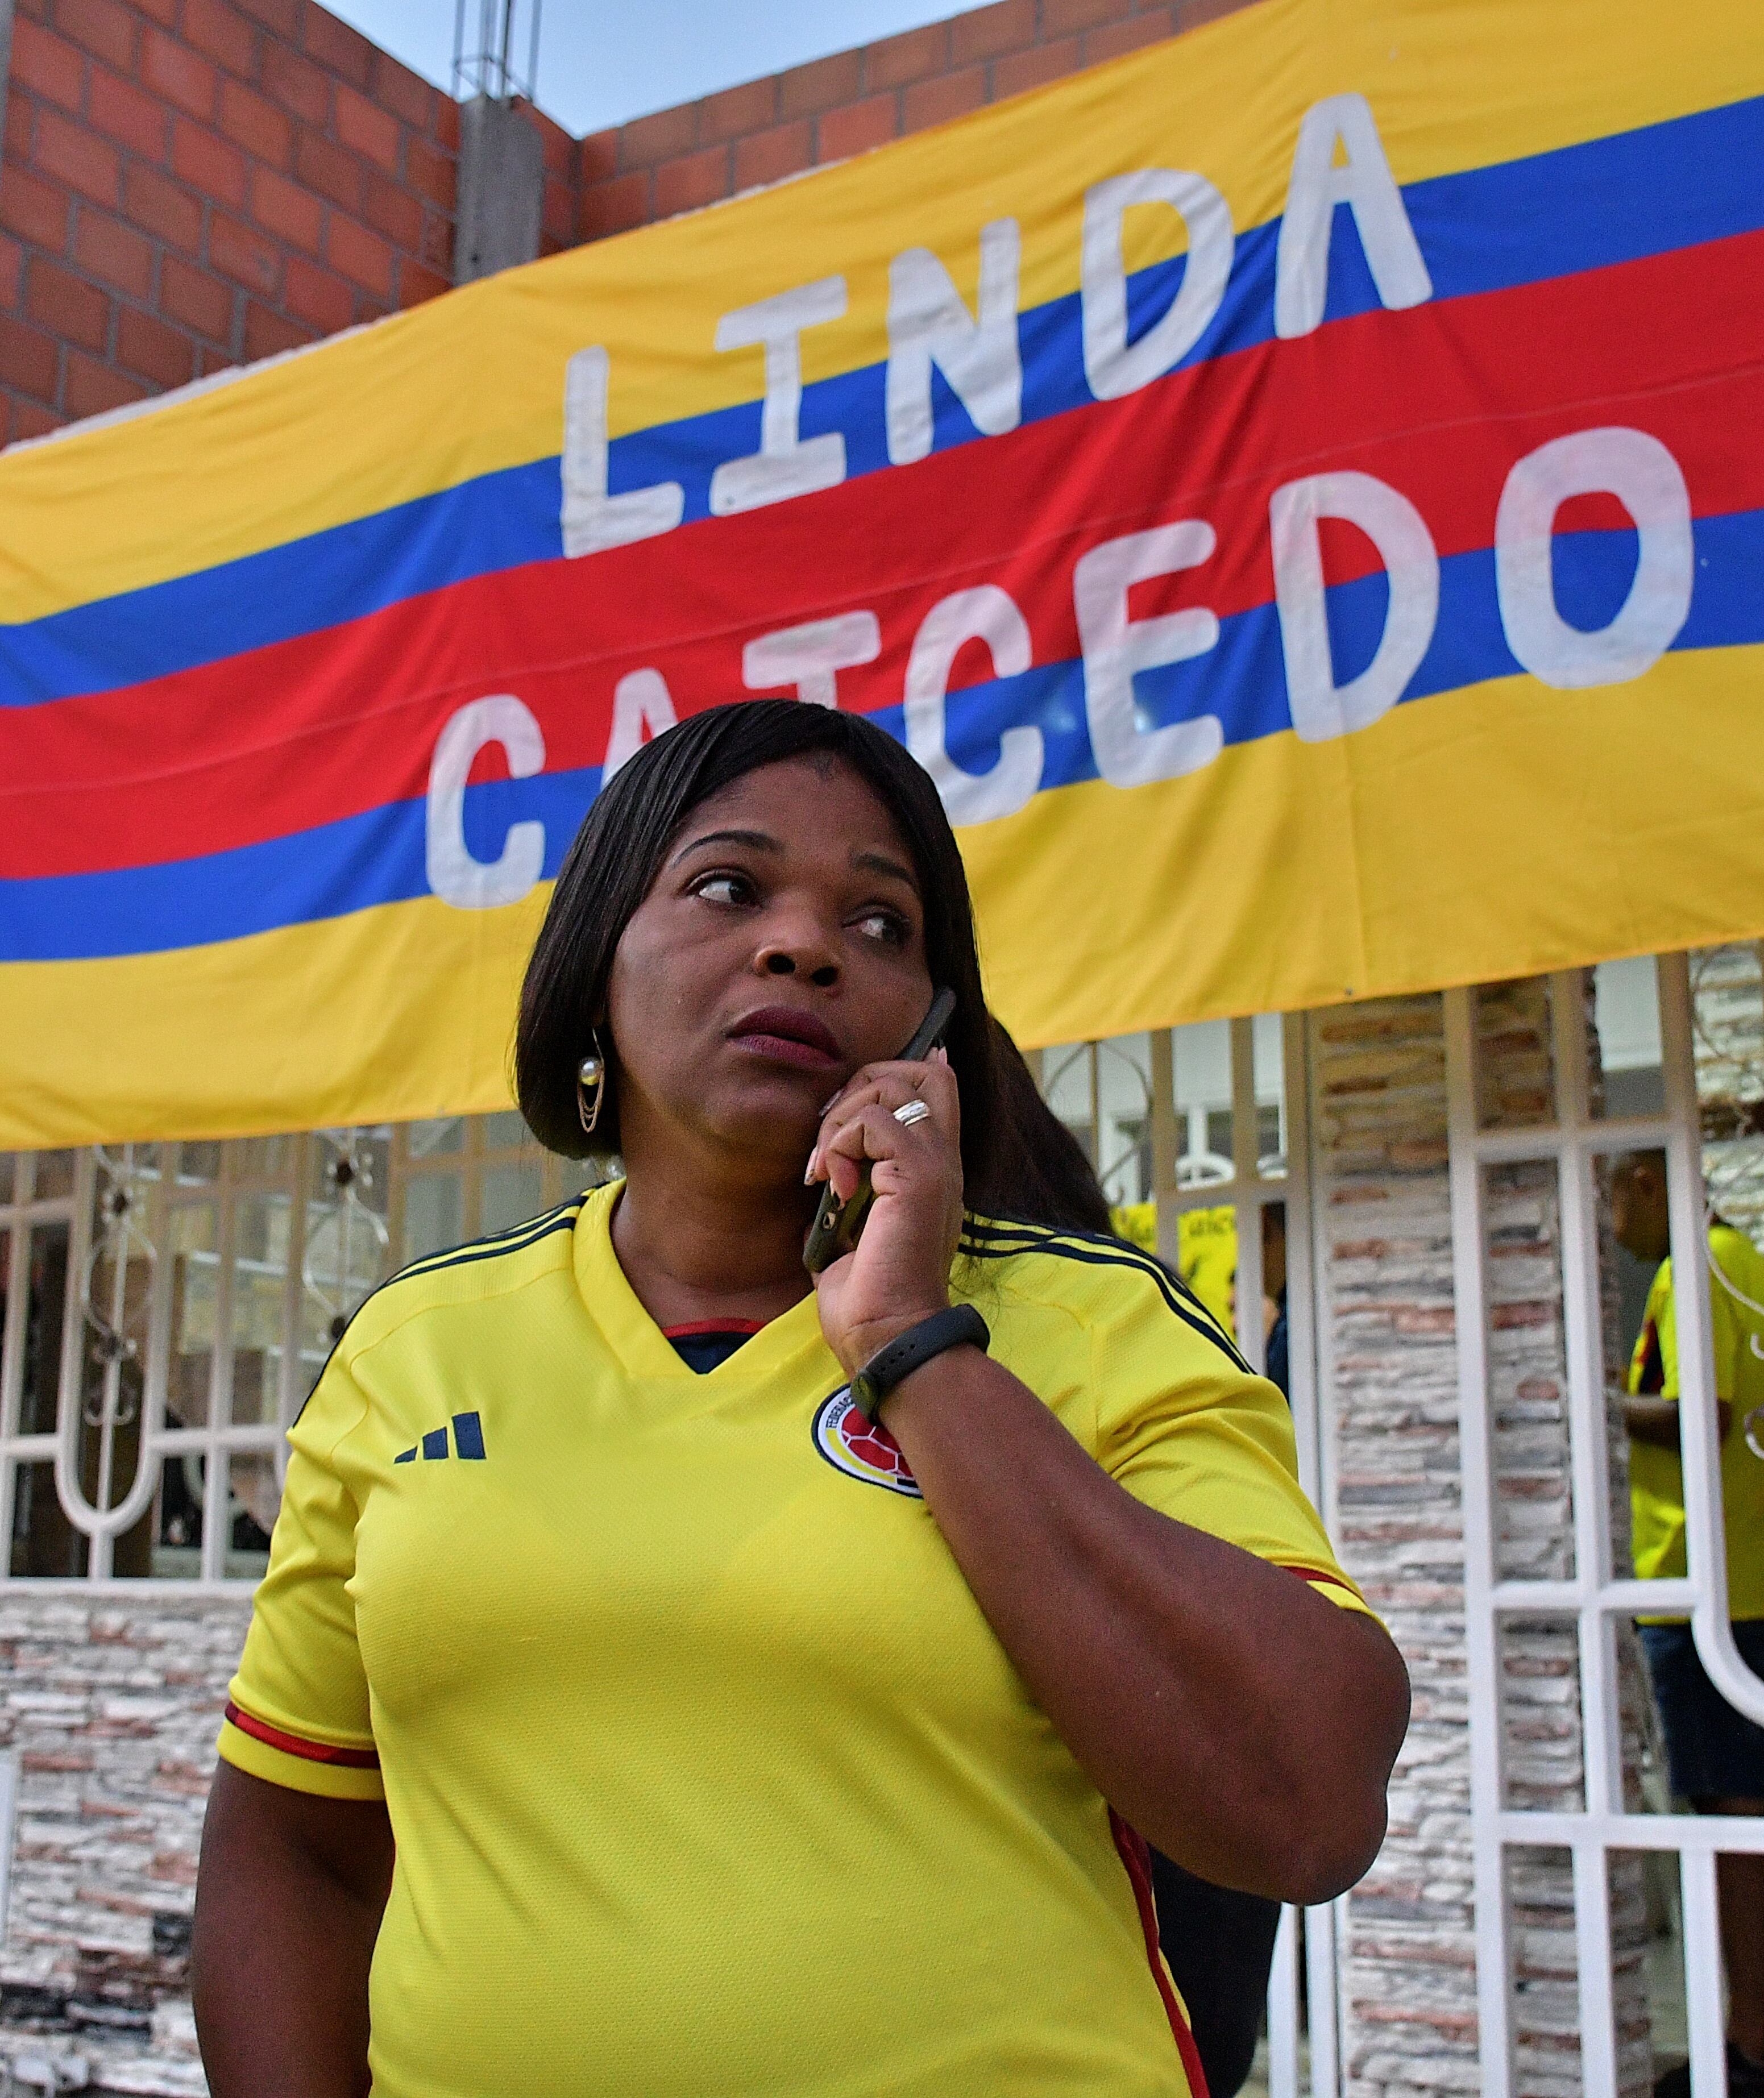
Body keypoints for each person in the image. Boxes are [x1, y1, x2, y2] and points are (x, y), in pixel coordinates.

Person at [192, 700, 1409, 2098]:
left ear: (933, 1022)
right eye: (726, 885)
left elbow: (1309, 1807)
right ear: (595, 961)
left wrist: (913, 1341)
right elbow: (294, 1845)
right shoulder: (418, 1345)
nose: (805, 945)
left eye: (881, 924)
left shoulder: (1090, 1326)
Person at [1612, 1149, 1764, 2097]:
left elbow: (1697, 1413)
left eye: (1611, 1191)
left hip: (1697, 1580)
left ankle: (1747, 2041)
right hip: (1747, 1571)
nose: (1608, 1217)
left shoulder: (1688, 1271)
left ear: (1643, 1182)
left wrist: (1595, 1403)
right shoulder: (1745, 1260)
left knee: (1730, 1818)